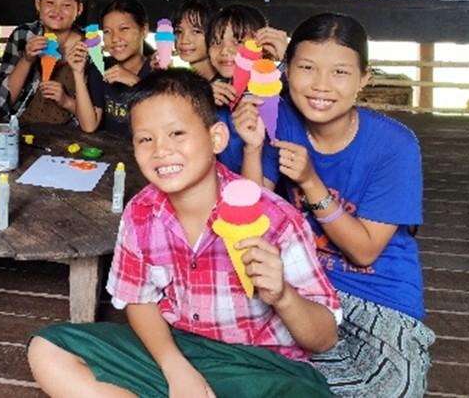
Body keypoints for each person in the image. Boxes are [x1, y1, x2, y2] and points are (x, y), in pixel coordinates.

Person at [28, 69, 340, 397]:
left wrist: (283, 296)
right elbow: (140, 300)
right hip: (176, 347)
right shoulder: (142, 212)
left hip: (261, 366)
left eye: (177, 133)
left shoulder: (275, 218)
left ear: (216, 138)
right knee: (48, 349)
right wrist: (175, 368)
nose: (161, 150)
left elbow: (324, 338)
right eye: (145, 139)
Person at [247, 13, 434, 396]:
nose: (320, 85)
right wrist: (252, 145)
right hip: (297, 283)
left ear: (364, 78)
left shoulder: (395, 145)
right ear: (286, 70)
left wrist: (310, 181)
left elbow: (364, 252)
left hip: (377, 296)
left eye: (340, 73)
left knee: (393, 385)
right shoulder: (278, 120)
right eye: (306, 68)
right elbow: (252, 217)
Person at [0, 0, 103, 127]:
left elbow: (92, 119)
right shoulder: (23, 35)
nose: (57, 11)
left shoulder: (89, 47)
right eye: (50, 3)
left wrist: (66, 101)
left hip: (70, 134)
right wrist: (27, 59)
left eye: (67, 5)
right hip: (21, 128)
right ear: (38, 4)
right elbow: (0, 100)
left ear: (79, 9)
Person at [202, 4, 287, 179]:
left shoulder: (278, 90)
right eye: (216, 42)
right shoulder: (210, 94)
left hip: (273, 197)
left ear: (263, 46)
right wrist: (200, 102)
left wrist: (288, 58)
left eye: (238, 41)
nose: (225, 51)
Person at [95, 0, 153, 137]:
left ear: (144, 30)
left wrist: (135, 82)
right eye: (107, 32)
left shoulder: (158, 70)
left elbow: (166, 120)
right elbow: (89, 125)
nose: (115, 38)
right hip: (107, 152)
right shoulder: (100, 67)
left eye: (124, 29)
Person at [170, 0, 220, 82]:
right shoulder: (186, 82)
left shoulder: (228, 86)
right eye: (179, 31)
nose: (184, 40)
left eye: (196, 31)